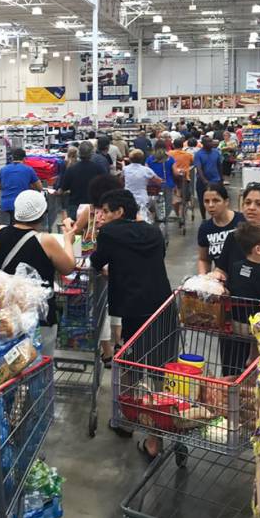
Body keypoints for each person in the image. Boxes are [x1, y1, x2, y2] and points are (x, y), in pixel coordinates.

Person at [90, 189, 172, 459]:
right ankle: (155, 436)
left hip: (133, 308)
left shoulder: (111, 234)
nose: (102, 216)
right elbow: (150, 261)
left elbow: (96, 261)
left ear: (119, 212)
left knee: (130, 362)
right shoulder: (153, 232)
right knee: (159, 370)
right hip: (162, 304)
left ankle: (125, 420)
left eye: (105, 211)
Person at [0, 190, 76, 356]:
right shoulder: (45, 240)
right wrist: (68, 241)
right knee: (39, 364)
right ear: (43, 214)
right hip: (39, 314)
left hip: (6, 312)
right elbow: (68, 267)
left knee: (8, 362)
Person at [222, 222, 260, 376]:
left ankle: (246, 363)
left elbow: (230, 290)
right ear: (258, 250)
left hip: (235, 324)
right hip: (253, 329)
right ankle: (254, 363)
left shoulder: (235, 267)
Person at [196, 183, 245, 274]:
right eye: (206, 201)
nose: (210, 205)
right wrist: (203, 278)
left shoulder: (242, 221)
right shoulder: (205, 229)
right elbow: (204, 259)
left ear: (226, 202)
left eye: (216, 200)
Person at [0, 148, 42, 225]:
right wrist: (29, 186)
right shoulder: (28, 170)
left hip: (5, 204)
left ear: (12, 158)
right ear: (24, 158)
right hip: (22, 204)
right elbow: (39, 187)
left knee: (8, 226)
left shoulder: (3, 169)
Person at [60, 142, 104, 220]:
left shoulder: (71, 169)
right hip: (93, 205)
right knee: (92, 230)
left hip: (75, 206)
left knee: (74, 228)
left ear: (79, 153)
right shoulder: (99, 169)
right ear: (92, 153)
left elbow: (64, 188)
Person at [122, 149, 159, 215]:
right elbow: (158, 181)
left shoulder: (125, 169)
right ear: (142, 159)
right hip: (142, 197)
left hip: (127, 196)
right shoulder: (146, 170)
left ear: (130, 159)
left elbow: (122, 179)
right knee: (142, 216)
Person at [193, 137, 222, 219]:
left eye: (211, 141)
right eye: (209, 142)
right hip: (202, 182)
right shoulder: (198, 154)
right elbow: (199, 168)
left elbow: (219, 166)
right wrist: (204, 180)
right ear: (203, 144)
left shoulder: (216, 153)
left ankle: (216, 217)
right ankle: (203, 218)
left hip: (216, 180)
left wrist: (221, 179)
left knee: (216, 199)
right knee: (202, 200)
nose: (211, 143)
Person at [147, 148, 176, 219]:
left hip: (153, 184)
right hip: (167, 183)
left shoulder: (149, 159)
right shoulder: (170, 159)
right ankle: (164, 217)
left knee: (154, 201)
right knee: (168, 202)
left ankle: (156, 216)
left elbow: (147, 171)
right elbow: (175, 172)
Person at [170, 138, 194, 219]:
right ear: (183, 145)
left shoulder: (169, 154)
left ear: (173, 145)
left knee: (175, 197)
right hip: (184, 178)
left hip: (172, 178)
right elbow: (192, 162)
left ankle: (178, 214)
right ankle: (181, 214)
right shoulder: (187, 155)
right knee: (184, 198)